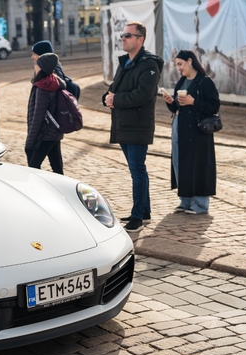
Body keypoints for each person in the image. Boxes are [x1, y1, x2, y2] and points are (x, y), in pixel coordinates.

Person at [102, 21, 163, 233]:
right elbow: (113, 88)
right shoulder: (125, 62)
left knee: (137, 170)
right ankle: (144, 212)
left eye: (128, 35)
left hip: (138, 125)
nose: (124, 38)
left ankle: (137, 216)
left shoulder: (149, 64)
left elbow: (143, 94)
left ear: (140, 39)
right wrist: (107, 98)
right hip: (123, 124)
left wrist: (116, 100)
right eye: (123, 35)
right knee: (136, 169)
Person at [162, 50, 220, 215]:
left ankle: (200, 205)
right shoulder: (181, 82)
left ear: (190, 61)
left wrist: (194, 102)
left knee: (199, 164)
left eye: (180, 64)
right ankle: (185, 201)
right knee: (180, 162)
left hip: (198, 130)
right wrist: (170, 102)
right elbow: (177, 107)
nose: (179, 68)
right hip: (180, 127)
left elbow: (214, 106)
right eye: (176, 65)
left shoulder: (205, 82)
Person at [25, 52, 66, 174]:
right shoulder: (55, 82)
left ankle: (37, 191)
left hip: (44, 134)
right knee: (57, 168)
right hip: (54, 132)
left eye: (37, 64)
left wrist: (30, 141)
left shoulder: (43, 87)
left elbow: (38, 116)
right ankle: (61, 191)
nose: (35, 66)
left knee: (33, 167)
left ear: (42, 68)